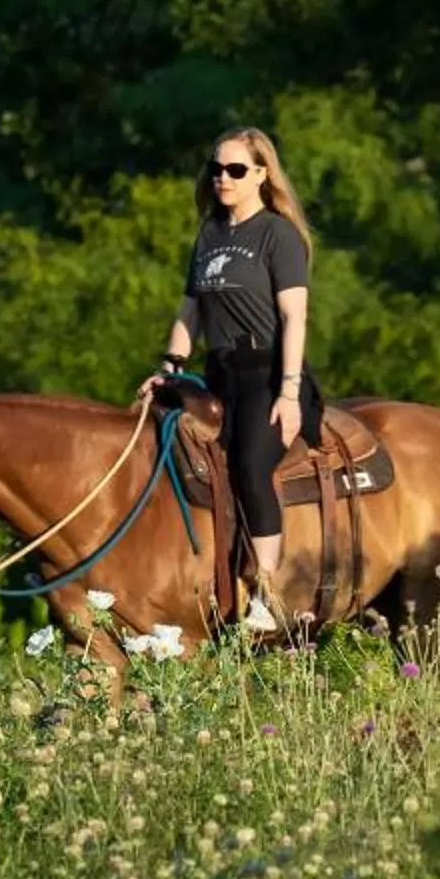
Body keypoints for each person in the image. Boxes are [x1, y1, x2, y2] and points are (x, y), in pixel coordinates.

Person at [137, 126, 321, 635]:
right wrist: (170, 369)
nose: (223, 177)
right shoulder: (210, 234)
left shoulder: (277, 235)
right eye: (216, 168)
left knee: (250, 464)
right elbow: (190, 310)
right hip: (220, 373)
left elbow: (295, 318)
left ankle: (267, 591)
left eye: (236, 169)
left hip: (268, 371)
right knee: (164, 446)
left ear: (261, 174)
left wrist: (289, 393)